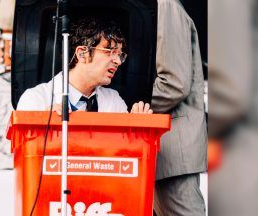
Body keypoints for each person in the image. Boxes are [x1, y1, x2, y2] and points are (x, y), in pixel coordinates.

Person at [17, 17, 152, 114]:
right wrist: (42, 126)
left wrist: (135, 132)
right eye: (110, 51)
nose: (117, 61)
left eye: (120, 55)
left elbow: (124, 152)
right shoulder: (36, 99)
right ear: (82, 53)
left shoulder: (113, 100)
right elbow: (25, 151)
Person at [151, 0, 207, 215]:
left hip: (173, 147)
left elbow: (174, 84)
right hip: (163, 145)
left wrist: (124, 107)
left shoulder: (166, 5)